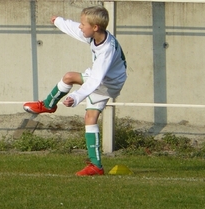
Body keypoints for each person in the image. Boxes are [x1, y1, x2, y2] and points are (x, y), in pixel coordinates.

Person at [23, 6, 127, 176]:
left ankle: (48, 105)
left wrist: (76, 97)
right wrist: (58, 21)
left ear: (95, 27)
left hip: (106, 82)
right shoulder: (95, 36)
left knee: (69, 77)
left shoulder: (106, 51)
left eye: (83, 23)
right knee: (90, 118)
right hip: (105, 80)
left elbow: (95, 80)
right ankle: (97, 166)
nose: (80, 26)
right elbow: (74, 29)